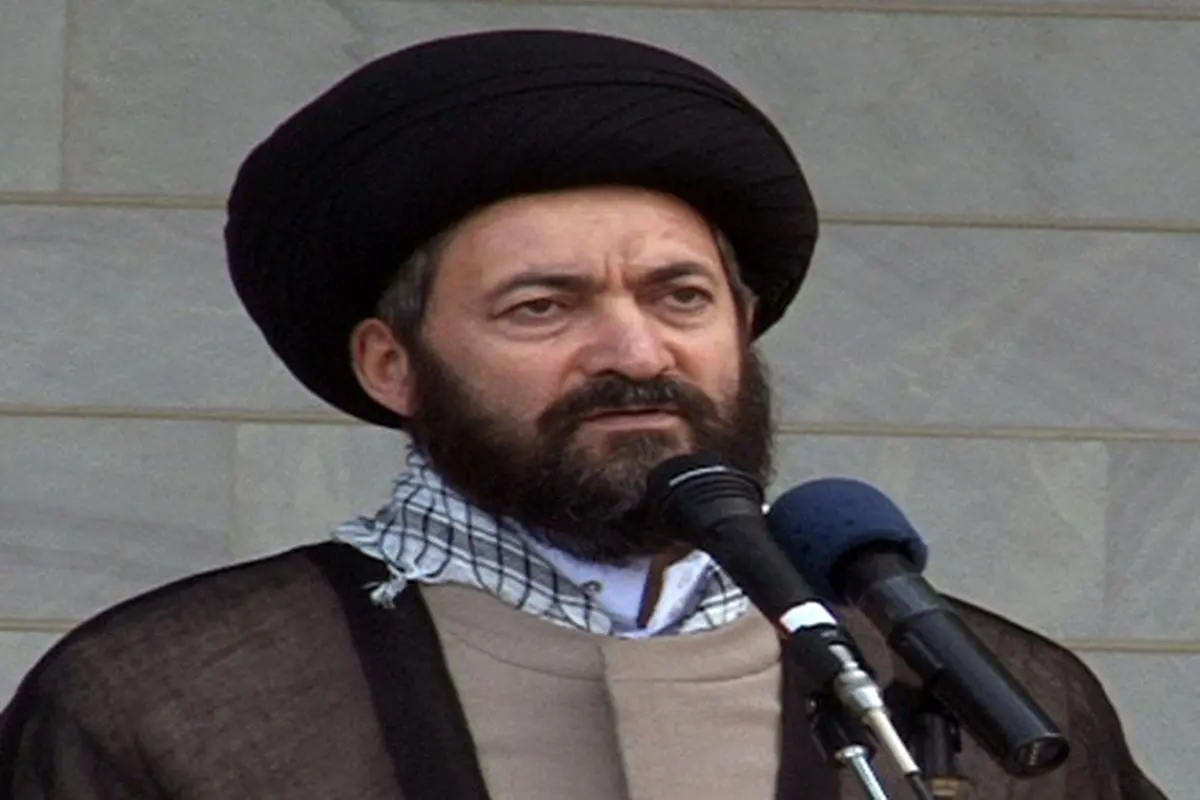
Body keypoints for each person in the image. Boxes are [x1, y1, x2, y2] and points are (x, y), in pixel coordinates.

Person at [0, 29, 1166, 800]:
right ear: (392, 364)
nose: (637, 351)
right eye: (543, 305)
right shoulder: (167, 697)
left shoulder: (984, 697)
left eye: (680, 295)